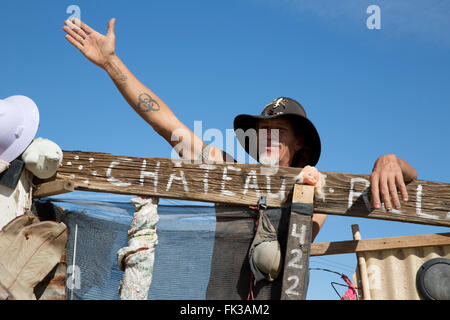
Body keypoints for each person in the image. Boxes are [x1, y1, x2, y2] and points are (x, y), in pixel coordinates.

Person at [62, 18, 418, 242]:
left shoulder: (318, 187)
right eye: (261, 130)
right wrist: (111, 63)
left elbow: (400, 181)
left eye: (278, 131)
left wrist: (390, 160)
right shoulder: (229, 172)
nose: (266, 137)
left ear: (300, 146)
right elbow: (166, 124)